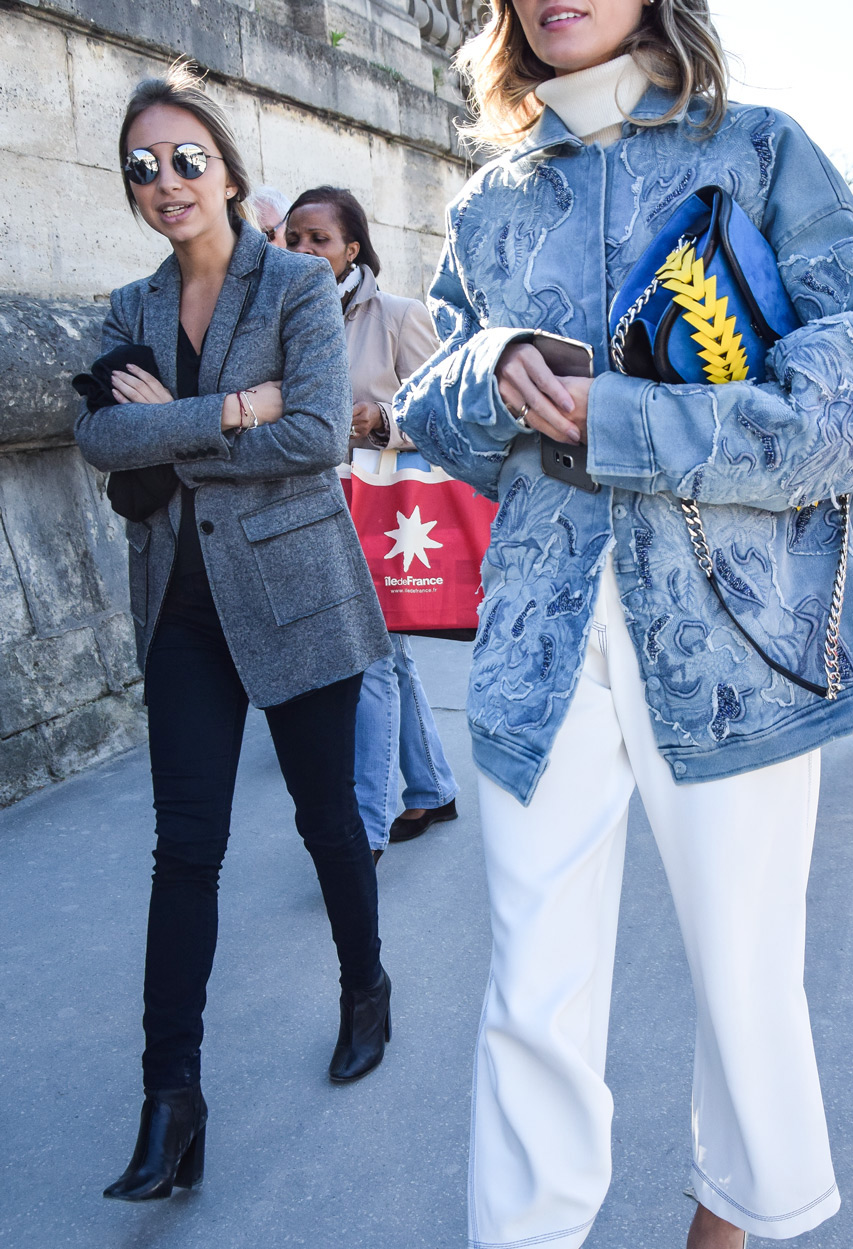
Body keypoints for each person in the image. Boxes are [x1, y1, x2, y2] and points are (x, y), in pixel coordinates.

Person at [395, 0, 853, 1243]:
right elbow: (432, 400)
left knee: (744, 980)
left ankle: (732, 1213)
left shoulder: (760, 151)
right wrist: (494, 369)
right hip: (538, 644)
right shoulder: (491, 198)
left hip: (738, 642)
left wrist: (624, 421)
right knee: (529, 989)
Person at [74, 64, 393, 1203]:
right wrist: (224, 410)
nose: (166, 183)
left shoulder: (298, 287)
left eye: (185, 160)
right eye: (142, 169)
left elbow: (312, 435)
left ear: (226, 166)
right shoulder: (129, 308)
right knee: (186, 849)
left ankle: (364, 984)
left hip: (299, 592)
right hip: (181, 612)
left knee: (322, 818)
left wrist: (169, 423)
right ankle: (172, 1098)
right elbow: (102, 441)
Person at [285, 186, 459, 862]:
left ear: (351, 248)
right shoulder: (283, 317)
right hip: (311, 512)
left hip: (380, 513)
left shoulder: (396, 316)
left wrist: (382, 421)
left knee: (372, 661)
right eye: (293, 238)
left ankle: (364, 825)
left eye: (318, 239)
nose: (302, 250)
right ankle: (433, 788)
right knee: (393, 658)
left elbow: (446, 414)